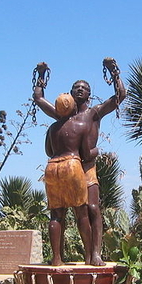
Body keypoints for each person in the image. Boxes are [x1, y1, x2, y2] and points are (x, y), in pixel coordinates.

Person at [33, 58, 126, 266]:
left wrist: (114, 73)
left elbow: (120, 96)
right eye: (76, 87)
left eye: (84, 88)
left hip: (87, 168)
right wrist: (41, 76)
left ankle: (94, 253)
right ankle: (58, 257)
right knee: (62, 212)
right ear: (70, 92)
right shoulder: (61, 117)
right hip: (69, 165)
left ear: (89, 94)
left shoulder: (93, 113)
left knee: (92, 208)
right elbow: (38, 99)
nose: (80, 90)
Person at [44, 93, 93, 266]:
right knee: (81, 212)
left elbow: (49, 151)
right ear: (73, 107)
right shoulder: (81, 125)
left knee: (56, 215)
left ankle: (56, 258)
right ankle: (89, 256)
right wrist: (96, 152)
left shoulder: (52, 129)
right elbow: (86, 153)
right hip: (72, 165)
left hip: (52, 167)